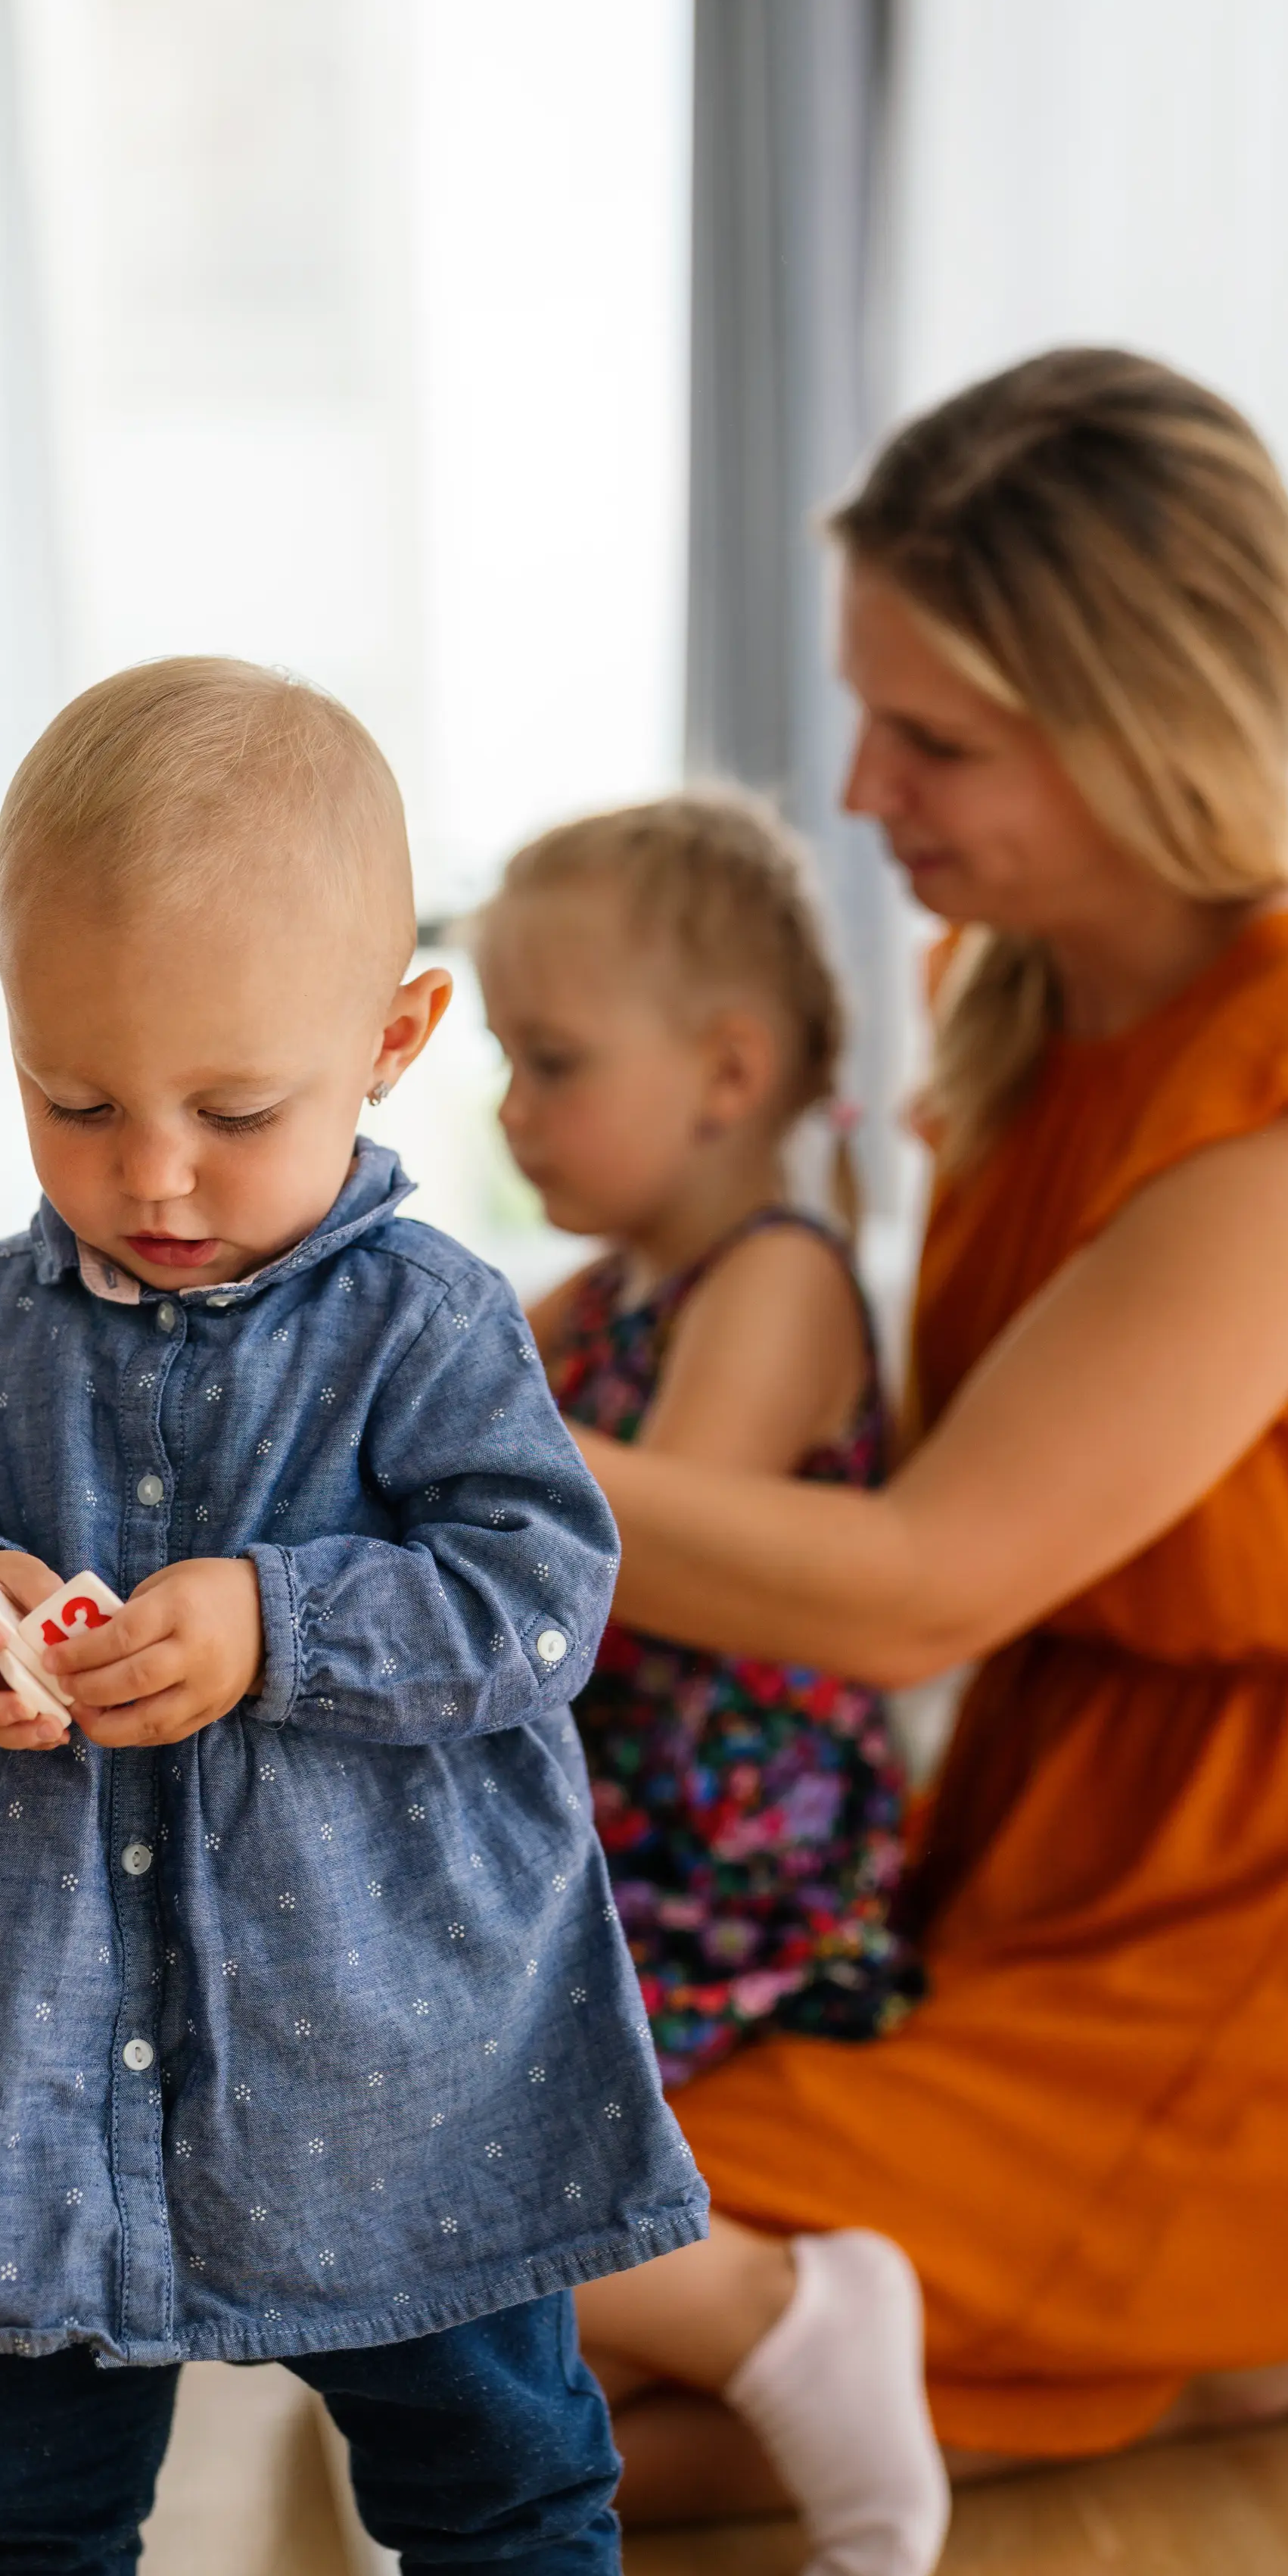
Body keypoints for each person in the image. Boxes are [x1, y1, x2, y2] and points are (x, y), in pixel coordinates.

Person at [562, 348, 1288, 2576]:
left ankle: (1257, 2340)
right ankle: (1208, 2346)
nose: (856, 787)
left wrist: (490, 1465)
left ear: (1134, 718)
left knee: (503, 2233)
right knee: (466, 2285)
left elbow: (921, 1589)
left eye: (932, 739)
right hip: (1048, 1847)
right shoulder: (1014, 983)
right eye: (865, 713)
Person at [0, 658, 708, 2576]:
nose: (153, 1173)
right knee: (18, 2519)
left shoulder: (431, 1326)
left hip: (399, 2068)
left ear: (392, 1042)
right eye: (74, 1101)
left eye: (232, 1109)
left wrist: (281, 1625)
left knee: (499, 2481)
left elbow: (542, 1593)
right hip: (34, 2073)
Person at [475, 792, 919, 2098]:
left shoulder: (776, 1277)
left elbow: (639, 1561)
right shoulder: (616, 1286)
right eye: (506, 1064)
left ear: (729, 1074)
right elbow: (450, 1372)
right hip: (614, 1826)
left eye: (551, 1064)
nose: (510, 1111)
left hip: (732, 1868)